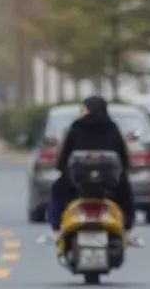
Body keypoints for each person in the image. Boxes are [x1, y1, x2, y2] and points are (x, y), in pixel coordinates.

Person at [49, 96, 135, 233]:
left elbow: (65, 154)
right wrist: (124, 170)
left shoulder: (77, 126)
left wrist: (61, 168)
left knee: (57, 190)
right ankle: (127, 228)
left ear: (88, 109)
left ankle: (56, 228)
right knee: (126, 192)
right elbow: (122, 155)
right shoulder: (112, 127)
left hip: (78, 182)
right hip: (109, 183)